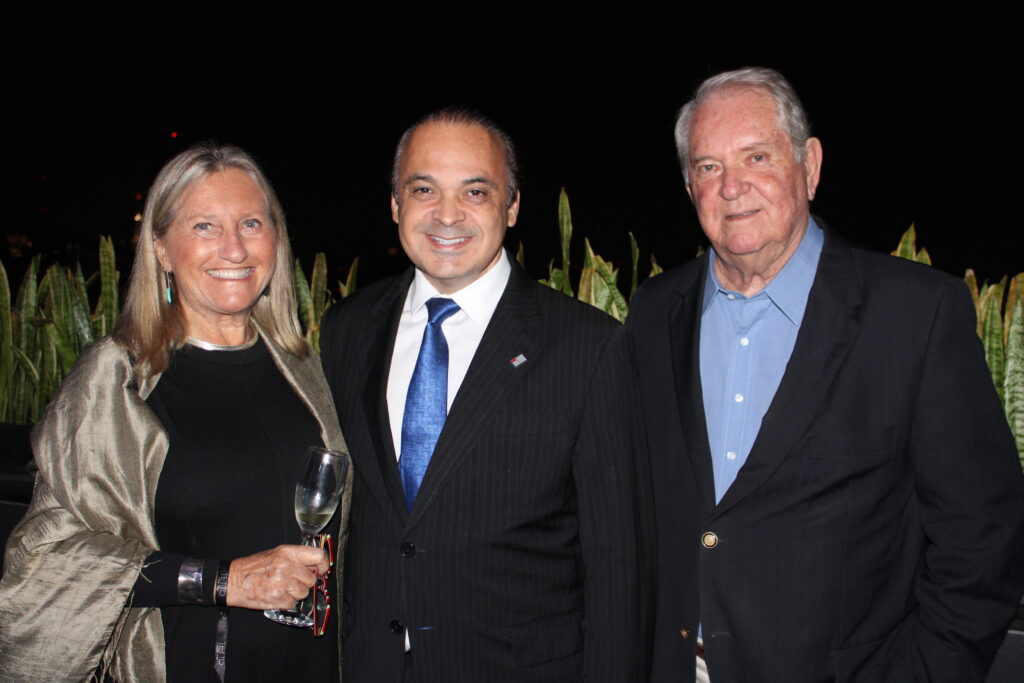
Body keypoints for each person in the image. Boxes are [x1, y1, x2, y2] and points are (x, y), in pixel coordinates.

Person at [627, 66, 1024, 683]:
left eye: (756, 156)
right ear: (689, 186)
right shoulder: (653, 312)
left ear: (808, 166)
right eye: (708, 167)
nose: (731, 188)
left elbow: (983, 542)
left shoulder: (915, 315)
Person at [319, 108, 651, 682]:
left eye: (476, 191)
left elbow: (619, 571)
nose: (447, 215)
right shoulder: (346, 329)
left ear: (513, 205)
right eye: (424, 189)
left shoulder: (589, 347)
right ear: (395, 205)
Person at [0, 142, 351, 681]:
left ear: (276, 238)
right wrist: (222, 581)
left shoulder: (305, 370)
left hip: (312, 664)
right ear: (161, 248)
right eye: (204, 227)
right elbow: (46, 560)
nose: (234, 249)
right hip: (188, 663)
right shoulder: (119, 379)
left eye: (252, 223)